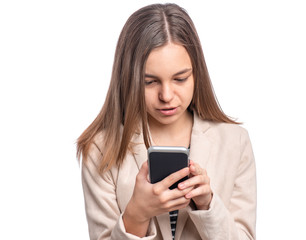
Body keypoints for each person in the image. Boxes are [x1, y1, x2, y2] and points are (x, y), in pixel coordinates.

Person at [77, 3, 256, 240]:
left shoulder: (234, 142)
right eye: (149, 82)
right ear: (128, 79)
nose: (166, 96)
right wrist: (137, 215)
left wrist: (208, 205)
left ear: (197, 73)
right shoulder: (101, 149)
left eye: (180, 79)